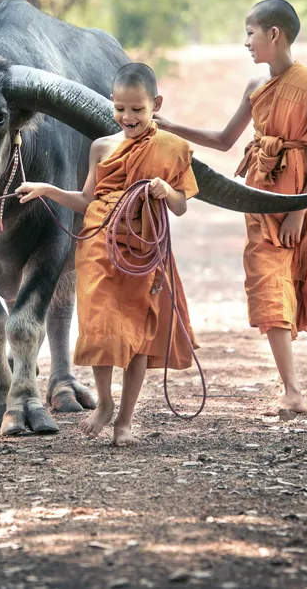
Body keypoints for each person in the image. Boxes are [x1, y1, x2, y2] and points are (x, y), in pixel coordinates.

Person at [157, 0, 307, 416]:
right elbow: (226, 140)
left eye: (250, 33)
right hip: (262, 198)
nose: (246, 42)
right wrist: (172, 128)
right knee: (270, 285)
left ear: (274, 35)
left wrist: (299, 210)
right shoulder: (255, 87)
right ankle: (291, 387)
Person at [16, 63, 198, 447]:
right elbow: (85, 200)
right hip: (99, 244)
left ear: (156, 105)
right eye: (120, 109)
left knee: (137, 336)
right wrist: (46, 189)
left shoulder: (173, 148)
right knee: (99, 327)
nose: (128, 117)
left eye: (137, 109)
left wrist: (167, 192)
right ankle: (105, 403)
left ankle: (126, 422)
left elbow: (181, 207)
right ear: (112, 105)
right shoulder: (101, 147)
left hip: (144, 249)